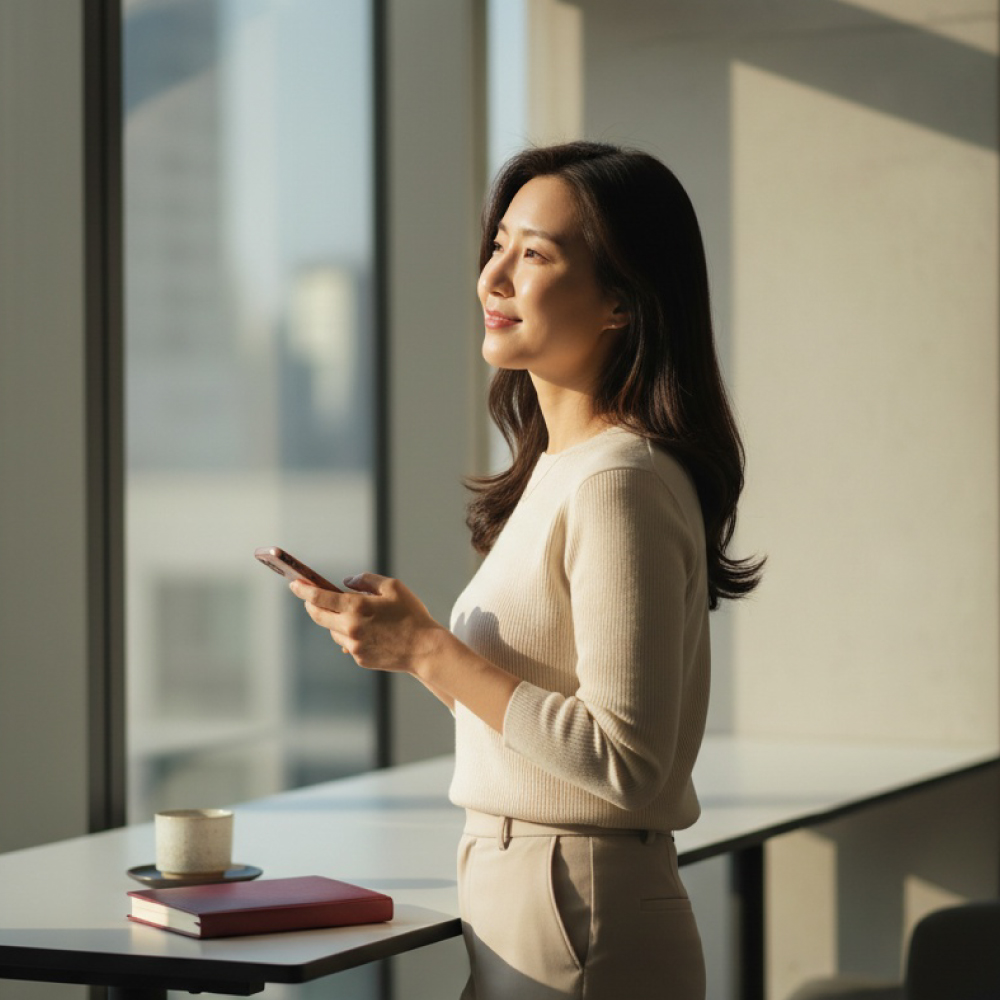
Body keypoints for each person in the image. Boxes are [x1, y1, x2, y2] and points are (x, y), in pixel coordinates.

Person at [290, 140, 764, 1000]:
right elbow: (542, 727)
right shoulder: (567, 467)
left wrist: (434, 650)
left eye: (536, 254)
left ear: (621, 301)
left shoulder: (620, 479)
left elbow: (627, 762)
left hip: (575, 905)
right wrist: (413, 646)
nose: (494, 277)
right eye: (499, 243)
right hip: (537, 897)